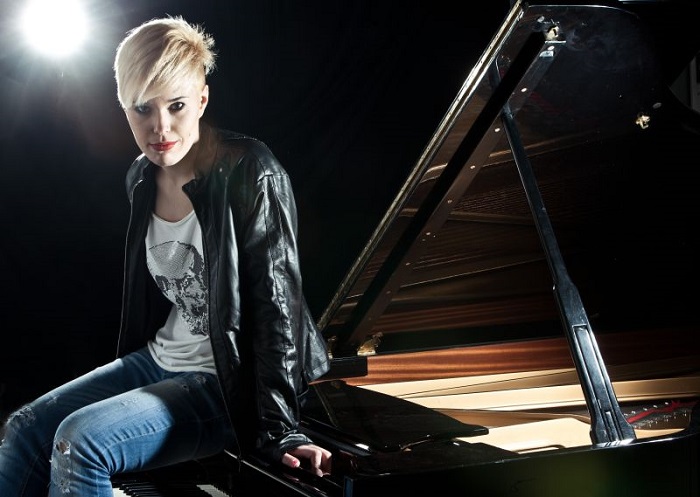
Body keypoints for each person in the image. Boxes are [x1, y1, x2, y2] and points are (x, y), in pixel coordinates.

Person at [0, 15, 332, 496]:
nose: (160, 127)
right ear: (125, 109)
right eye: (143, 109)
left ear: (202, 99)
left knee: (81, 441)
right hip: (161, 361)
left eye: (176, 105)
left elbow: (277, 305)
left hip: (228, 382)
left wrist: (280, 429)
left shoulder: (251, 171)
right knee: (24, 428)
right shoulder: (140, 178)